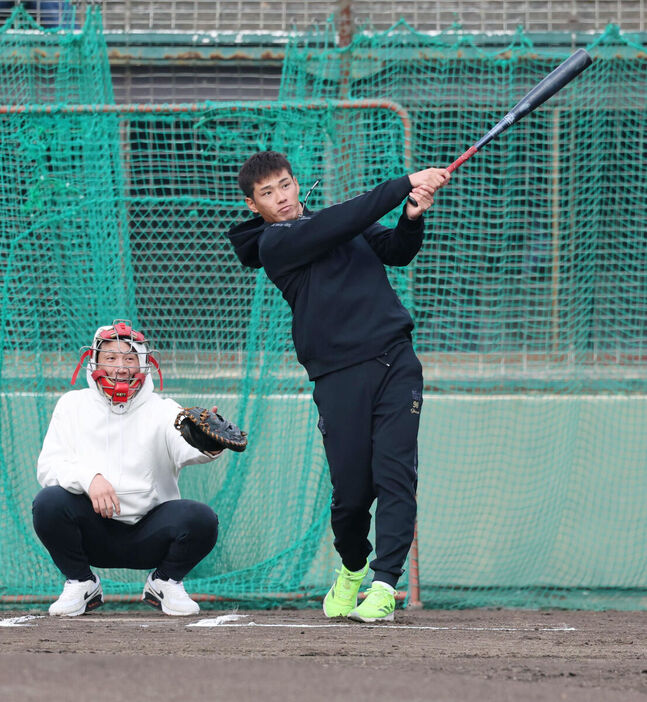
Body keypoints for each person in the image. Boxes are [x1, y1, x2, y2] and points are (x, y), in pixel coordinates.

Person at [227, 151, 450, 622]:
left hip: (395, 361)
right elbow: (344, 220)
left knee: (396, 476)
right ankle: (352, 567)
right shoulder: (275, 243)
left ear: (295, 183)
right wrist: (404, 181)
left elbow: (396, 251)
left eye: (285, 185)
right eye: (267, 193)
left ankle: (385, 584)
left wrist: (410, 216)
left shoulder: (336, 222)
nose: (281, 198)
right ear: (254, 206)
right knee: (352, 493)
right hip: (338, 375)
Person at [32, 320, 223, 617]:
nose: (120, 368)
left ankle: (165, 581)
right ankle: (80, 581)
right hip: (93, 532)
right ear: (94, 361)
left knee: (201, 519)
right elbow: (48, 467)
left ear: (144, 364)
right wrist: (89, 479)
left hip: (150, 535)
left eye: (129, 358)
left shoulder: (164, 409)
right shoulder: (71, 405)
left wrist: (209, 444)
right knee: (49, 503)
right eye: (110, 358)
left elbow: (188, 448)